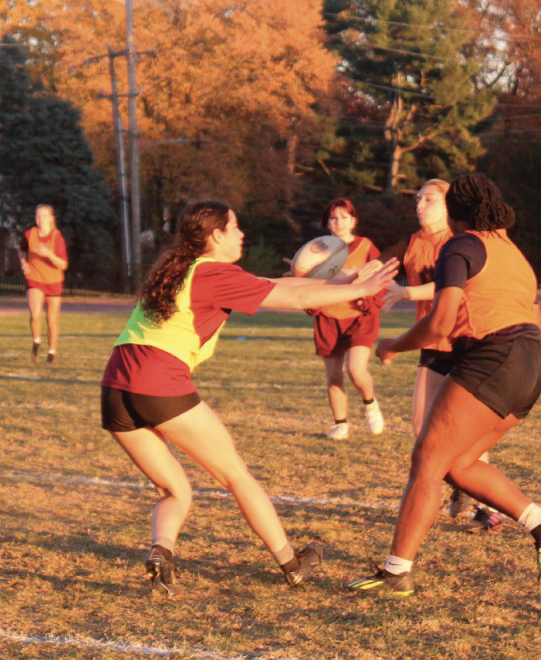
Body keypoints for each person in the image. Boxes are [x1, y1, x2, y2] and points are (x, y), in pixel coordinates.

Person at [99, 201, 397, 595]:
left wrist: (346, 281)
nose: (241, 234)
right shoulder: (213, 274)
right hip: (158, 380)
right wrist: (362, 288)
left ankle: (161, 552)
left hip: (115, 387)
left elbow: (279, 286)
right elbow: (288, 298)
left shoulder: (186, 269)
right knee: (235, 474)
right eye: (235, 227)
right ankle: (291, 564)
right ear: (215, 235)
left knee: (176, 491)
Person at [345, 174, 541, 595]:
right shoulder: (512, 252)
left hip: (494, 357)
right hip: (531, 362)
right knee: (458, 464)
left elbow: (442, 321)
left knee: (427, 462)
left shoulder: (460, 246)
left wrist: (393, 345)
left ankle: (396, 572)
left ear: (456, 211)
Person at [380, 179, 501, 533]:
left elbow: (451, 285)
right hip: (432, 344)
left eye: (429, 199)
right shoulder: (413, 243)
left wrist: (405, 292)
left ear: (449, 206)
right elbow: (375, 266)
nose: (420, 205)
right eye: (418, 199)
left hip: (465, 341)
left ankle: (486, 507)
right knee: (422, 429)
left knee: (467, 433)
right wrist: (326, 274)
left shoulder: (461, 241)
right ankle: (460, 484)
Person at [308, 198, 385, 440]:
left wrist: (369, 300)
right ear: (327, 223)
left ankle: (370, 405)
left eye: (344, 217)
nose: (338, 222)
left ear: (353, 221)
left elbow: (381, 278)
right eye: (333, 218)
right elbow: (308, 286)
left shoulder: (365, 246)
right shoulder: (316, 251)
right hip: (328, 317)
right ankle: (340, 425)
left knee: (355, 370)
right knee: (333, 376)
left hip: (359, 317)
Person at [18, 204, 68, 363]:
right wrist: (23, 262)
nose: (40, 219)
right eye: (38, 215)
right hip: (34, 279)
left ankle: (51, 353)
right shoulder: (29, 234)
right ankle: (36, 342)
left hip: (53, 281)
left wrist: (49, 254)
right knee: (35, 314)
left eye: (44, 216)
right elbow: (21, 250)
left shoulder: (57, 237)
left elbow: (63, 265)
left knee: (52, 320)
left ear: (51, 218)